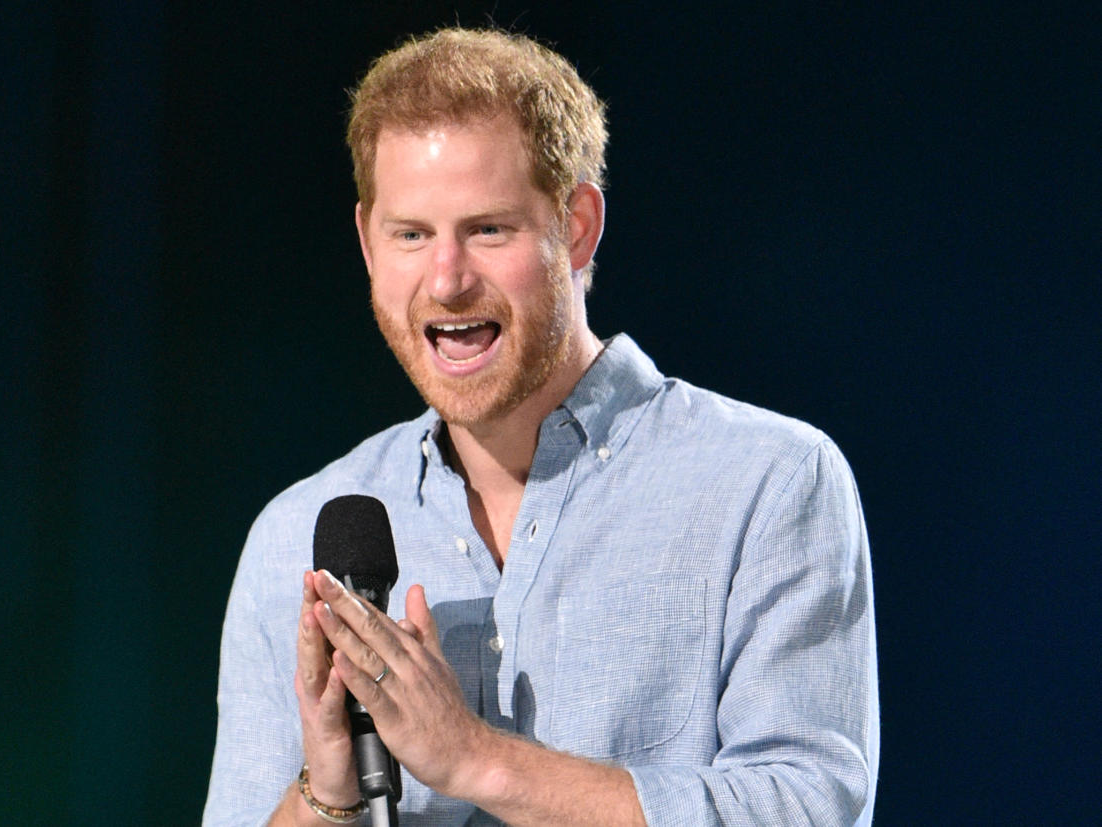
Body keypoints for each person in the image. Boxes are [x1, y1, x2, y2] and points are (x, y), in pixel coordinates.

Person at [204, 27, 878, 827]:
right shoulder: (294, 536)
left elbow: (809, 810)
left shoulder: (767, 482)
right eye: (411, 234)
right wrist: (328, 792)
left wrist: (475, 758)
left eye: (488, 229)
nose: (446, 279)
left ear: (579, 226)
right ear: (366, 243)